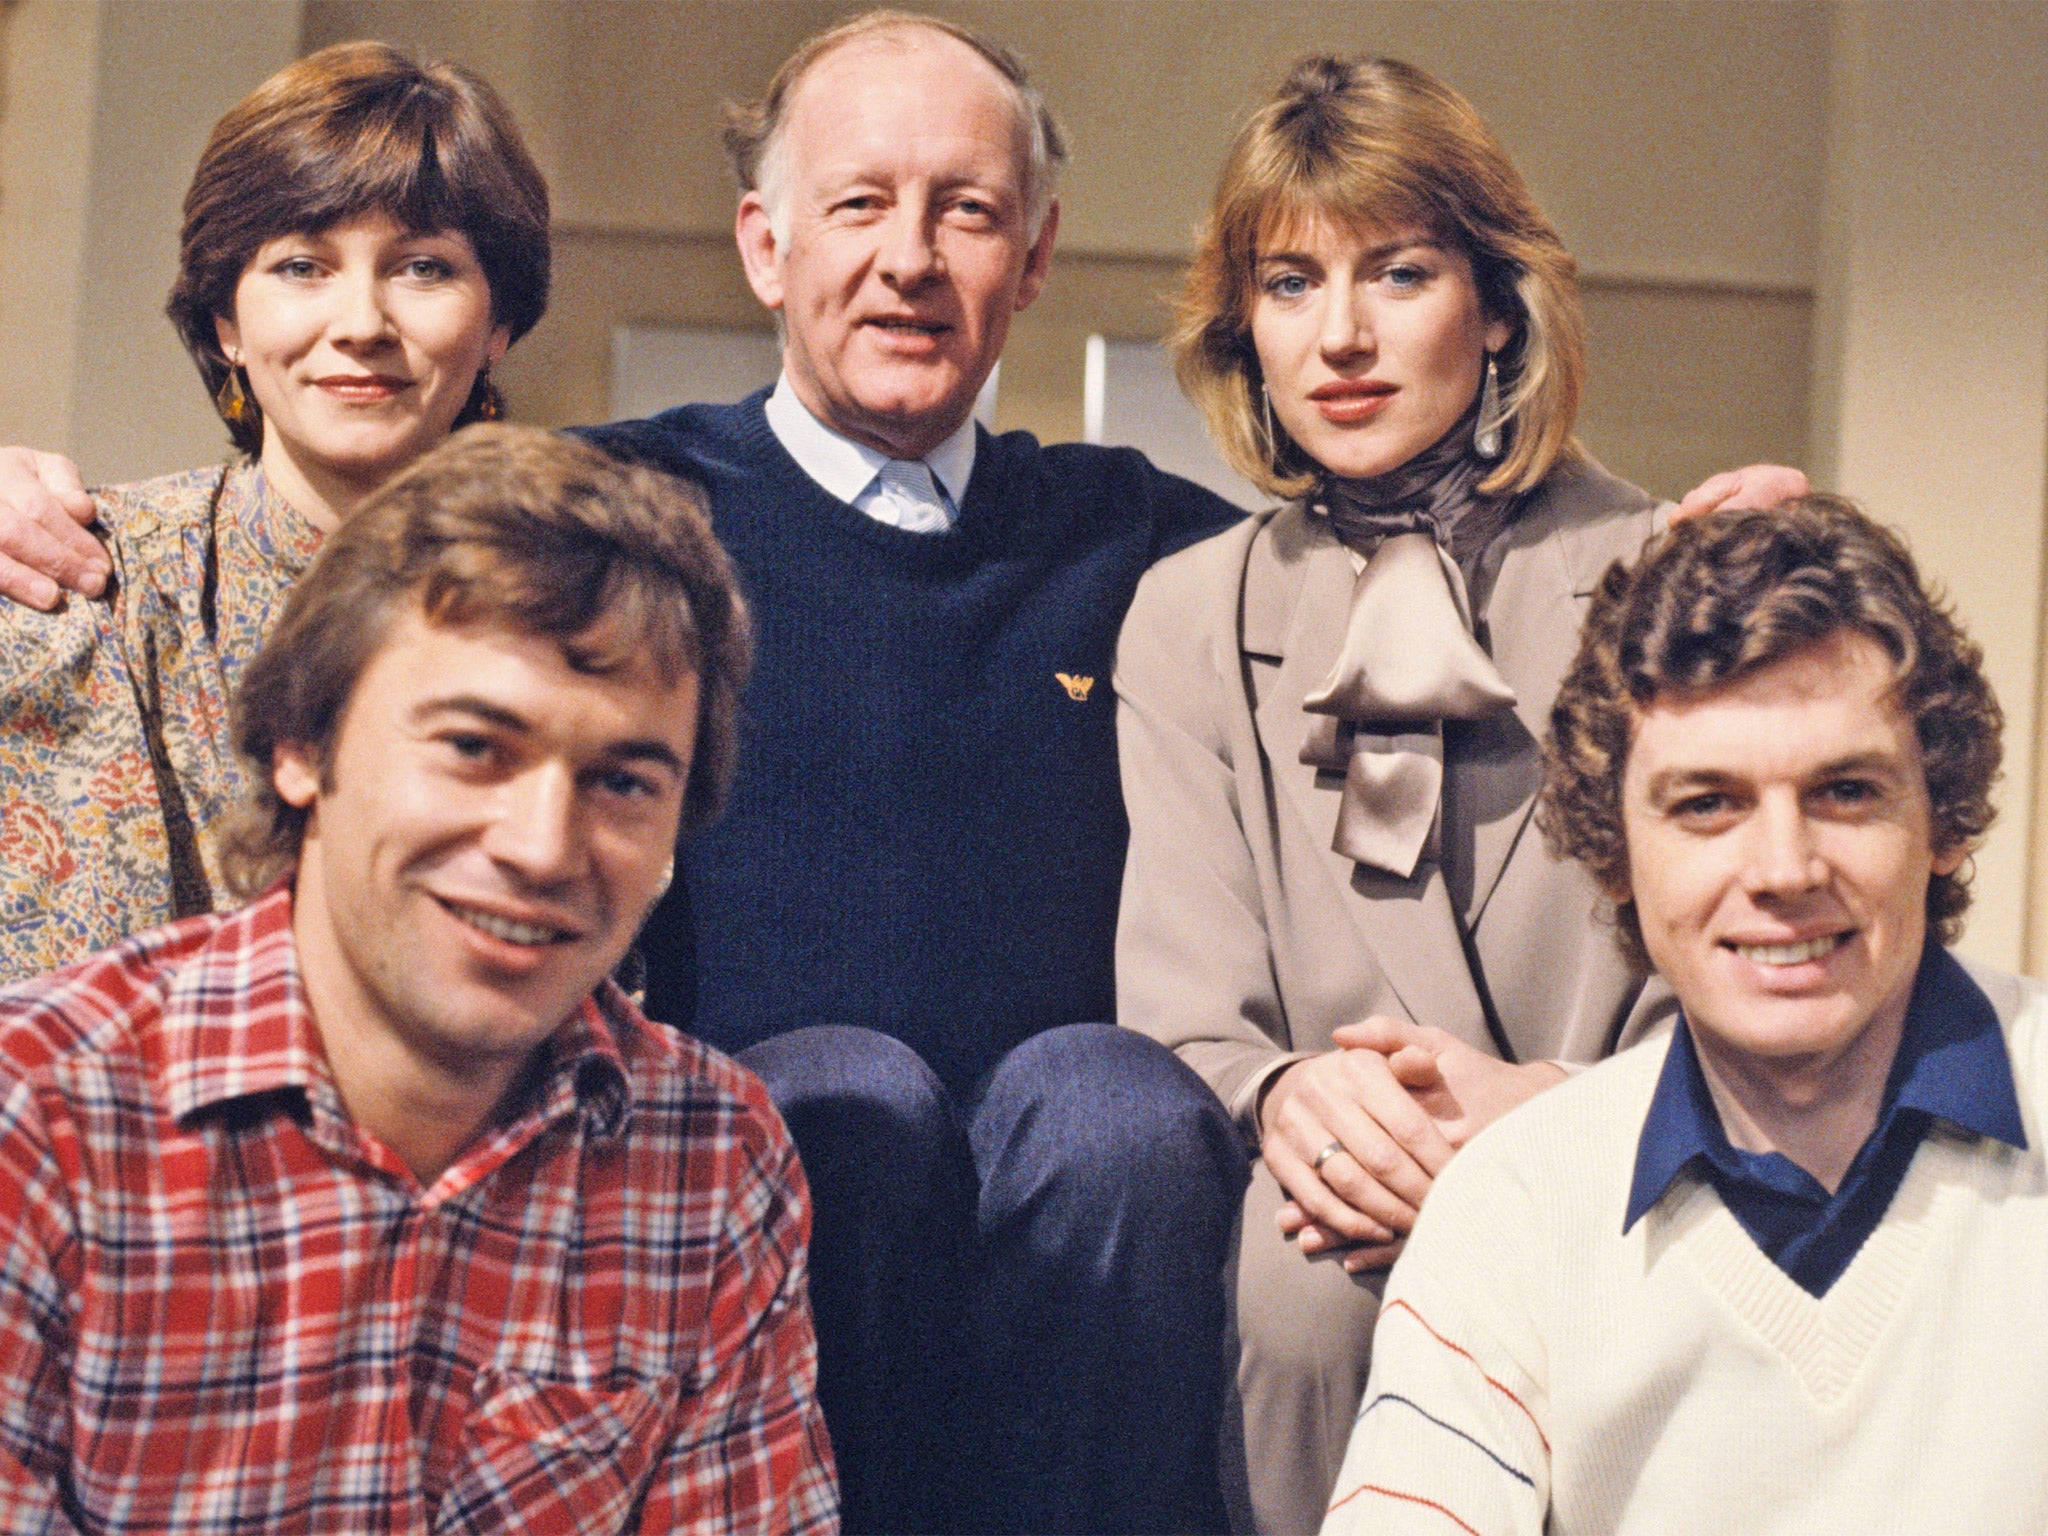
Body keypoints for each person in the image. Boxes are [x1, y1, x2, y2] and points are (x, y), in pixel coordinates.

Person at [0, 14, 1805, 1533]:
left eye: (965, 215)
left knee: (1109, 1101)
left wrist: (1718, 552)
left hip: (1089, 1258)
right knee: (836, 1096)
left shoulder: (1159, 559)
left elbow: (1390, 543)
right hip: (731, 1194)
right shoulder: (603, 517)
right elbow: (358, 523)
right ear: (763, 245)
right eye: (857, 205)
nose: (906, 256)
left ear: (1030, 261)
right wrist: (46, 510)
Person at [1113, 55, 1781, 1533]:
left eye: (1398, 273)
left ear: (1495, 307)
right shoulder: (1183, 613)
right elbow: (1189, 1005)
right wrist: (1303, 1097)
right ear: (1246, 334)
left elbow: (1752, 960)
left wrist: (1547, 1119)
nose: (1340, 337)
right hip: (1324, 1211)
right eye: (1290, 285)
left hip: (1625, 1168)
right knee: (1301, 1289)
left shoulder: (1675, 568)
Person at [0, 424, 836, 1534]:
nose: (543, 846)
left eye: (623, 781)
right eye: (474, 748)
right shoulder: (40, 1120)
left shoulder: (713, 1161)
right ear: (302, 744)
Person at [1321, 496, 2045, 1535]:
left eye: (1844, 792)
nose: (1783, 870)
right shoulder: (1512, 1205)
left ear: (1943, 823)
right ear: (1611, 852)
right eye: (1706, 804)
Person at [0, 39, 550, 979]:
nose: (362, 322)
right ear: (227, 322)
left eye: (423, 268)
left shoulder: (572, 604)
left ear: (497, 324)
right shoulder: (83, 587)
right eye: (303, 266)